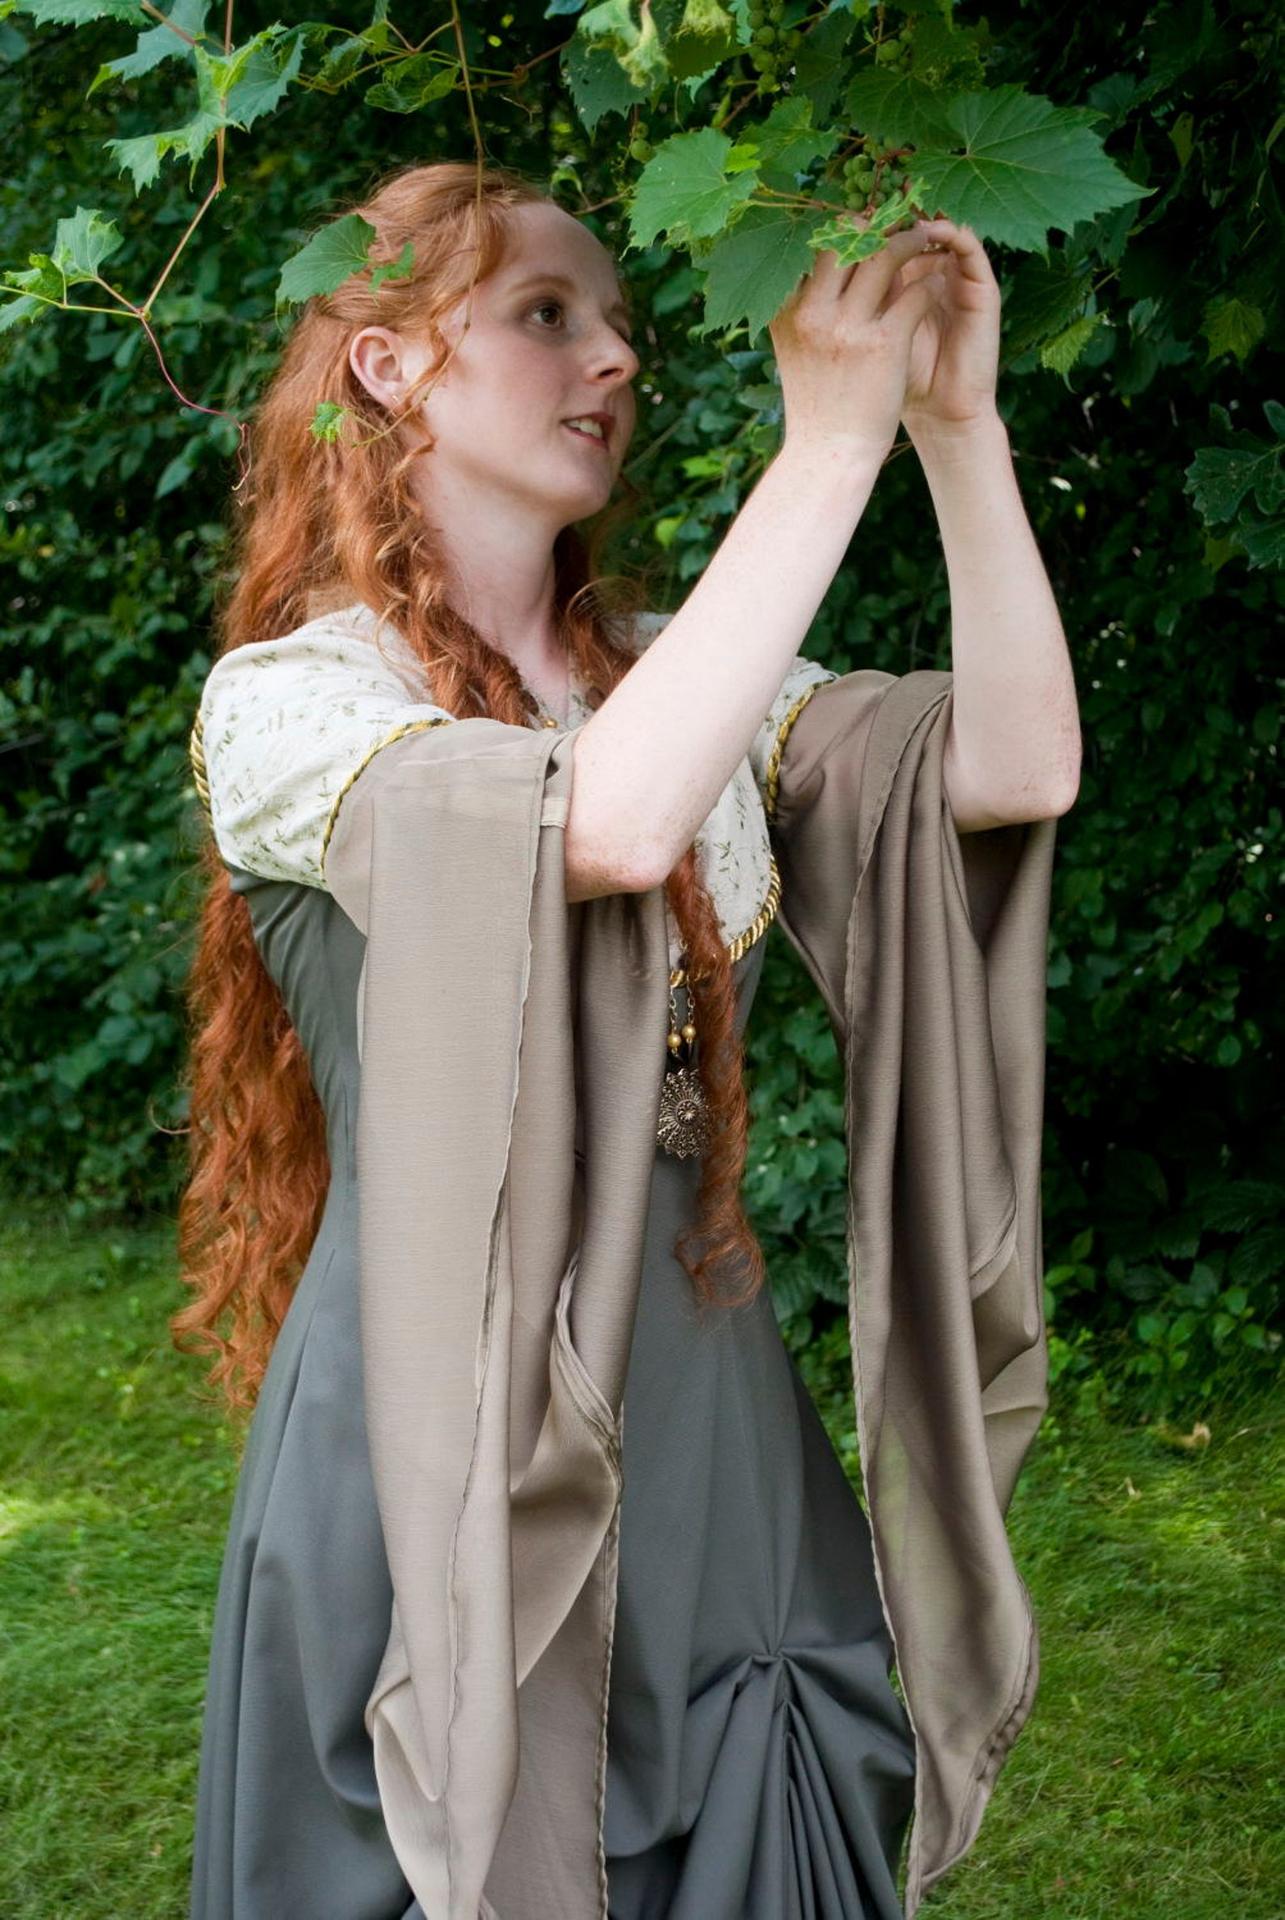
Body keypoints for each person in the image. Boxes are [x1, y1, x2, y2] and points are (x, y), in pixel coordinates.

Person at [176, 158, 1080, 1920]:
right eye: (544, 313)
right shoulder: (291, 702)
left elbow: (1013, 766)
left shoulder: (670, 670)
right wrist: (824, 448)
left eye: (616, 322)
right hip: (433, 1409)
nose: (613, 358)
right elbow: (594, 824)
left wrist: (951, 431)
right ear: (386, 367)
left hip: (706, 1401)